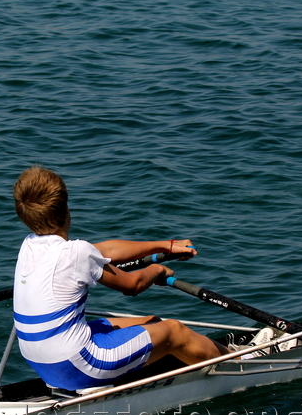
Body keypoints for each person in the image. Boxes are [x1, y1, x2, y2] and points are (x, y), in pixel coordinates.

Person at [12, 166, 229, 391]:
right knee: (175, 330)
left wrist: (166, 245)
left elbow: (107, 249)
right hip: (79, 364)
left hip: (41, 361)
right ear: (66, 209)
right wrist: (157, 271)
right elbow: (132, 286)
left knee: (152, 323)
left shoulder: (30, 245)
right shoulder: (76, 253)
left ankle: (177, 360)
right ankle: (237, 366)